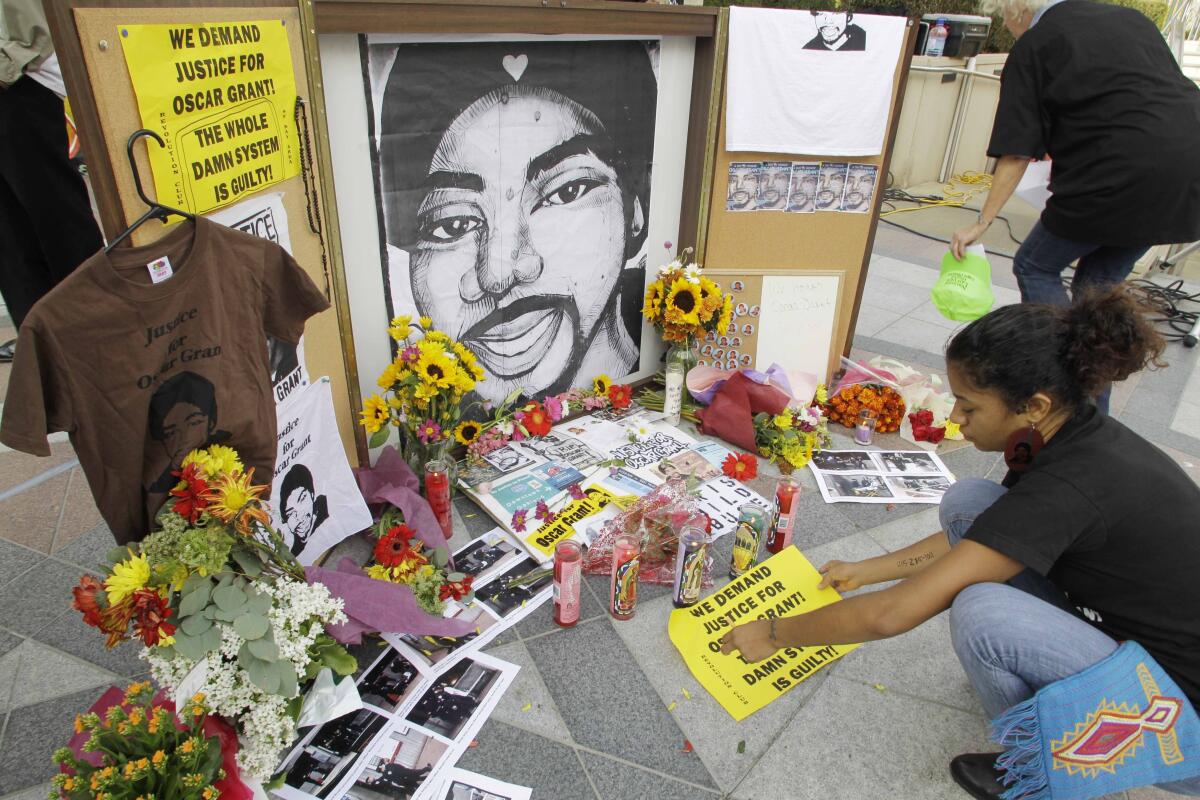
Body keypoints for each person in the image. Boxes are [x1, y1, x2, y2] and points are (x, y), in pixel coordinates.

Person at [720, 288, 1200, 798]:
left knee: (983, 612)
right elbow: (986, 535)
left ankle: (1040, 765)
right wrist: (867, 570)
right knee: (970, 500)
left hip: (1180, 719)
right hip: (1134, 638)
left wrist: (773, 634)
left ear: (1033, 405)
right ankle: (1058, 698)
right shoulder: (1058, 434)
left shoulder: (1070, 484)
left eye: (969, 406)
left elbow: (891, 615)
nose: (957, 417)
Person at [375, 40, 656, 408]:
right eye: (453, 224)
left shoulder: (658, 356)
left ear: (634, 208)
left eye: (567, 191)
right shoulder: (433, 419)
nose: (498, 274)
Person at [950, 0, 1200, 413]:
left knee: (1035, 264)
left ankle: (1067, 380)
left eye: (1003, 19)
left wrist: (983, 220)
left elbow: (1016, 151)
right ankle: (1090, 414)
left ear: (1015, 11)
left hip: (1119, 169)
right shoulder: (1128, 18)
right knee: (1096, 289)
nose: (1007, 27)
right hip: (1187, 166)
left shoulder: (1035, 44)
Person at [0, 0, 104, 362]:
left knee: (61, 226)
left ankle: (101, 345)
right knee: (12, 243)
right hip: (19, 67)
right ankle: (45, 359)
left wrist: (15, 59)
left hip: (25, 72)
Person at [146, 371, 232, 493]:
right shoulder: (156, 485)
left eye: (194, 423)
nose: (183, 437)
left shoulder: (232, 453)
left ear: (211, 422)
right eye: (171, 431)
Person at [279, 463, 329, 556]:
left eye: (302, 498)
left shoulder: (326, 509)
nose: (299, 516)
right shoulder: (292, 555)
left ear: (312, 495)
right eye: (290, 513)